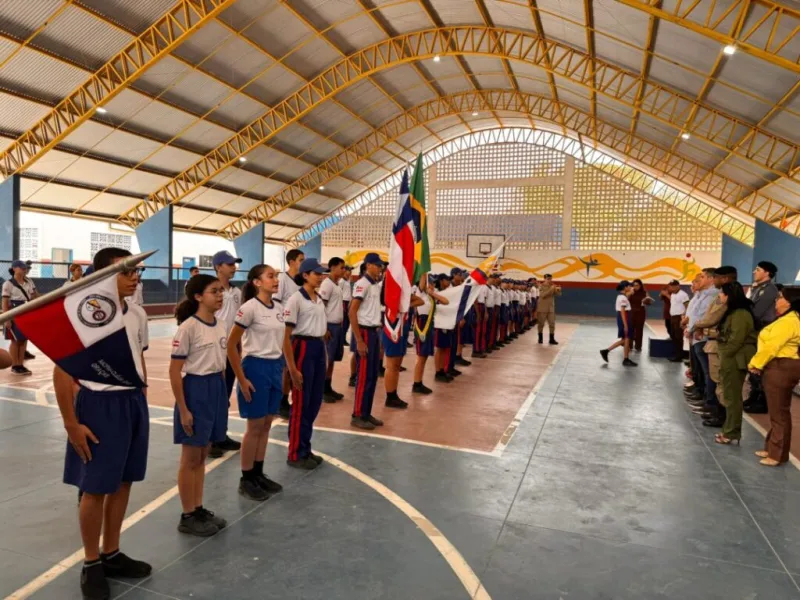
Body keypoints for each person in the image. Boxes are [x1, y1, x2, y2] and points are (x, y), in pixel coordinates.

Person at [55, 248, 151, 600]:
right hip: (99, 405)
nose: (134, 277)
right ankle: (91, 562)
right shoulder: (85, 315)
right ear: (101, 276)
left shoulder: (137, 313)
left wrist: (141, 393)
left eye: (136, 271)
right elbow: (62, 372)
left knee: (124, 482)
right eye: (126, 271)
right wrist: (71, 423)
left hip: (133, 402)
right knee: (95, 488)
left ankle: (111, 552)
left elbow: (138, 357)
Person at [170, 275, 229, 537]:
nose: (220, 295)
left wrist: (222, 396)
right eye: (214, 291)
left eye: (221, 291)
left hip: (216, 387)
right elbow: (174, 371)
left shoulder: (221, 324)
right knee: (191, 456)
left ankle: (198, 507)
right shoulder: (188, 328)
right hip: (196, 390)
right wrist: (184, 409)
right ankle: (187, 515)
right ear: (198, 297)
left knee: (203, 453)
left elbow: (221, 363)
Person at [227, 264, 285, 501]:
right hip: (256, 367)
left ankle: (258, 473)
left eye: (276, 276)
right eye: (270, 276)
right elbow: (231, 345)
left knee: (267, 424)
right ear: (257, 282)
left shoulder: (279, 307)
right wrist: (241, 379)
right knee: (255, 426)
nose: (276, 280)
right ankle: (246, 478)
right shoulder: (249, 308)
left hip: (275, 366)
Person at [283, 258, 328, 468]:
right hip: (302, 347)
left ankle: (305, 447)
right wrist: (292, 369)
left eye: (321, 273)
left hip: (318, 348)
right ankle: (295, 453)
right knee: (301, 403)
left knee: (314, 401)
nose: (320, 277)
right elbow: (286, 336)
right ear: (305, 275)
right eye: (316, 273)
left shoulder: (318, 298)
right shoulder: (295, 299)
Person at [748, 286, 800, 466]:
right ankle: (772, 448)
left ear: (789, 302)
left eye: (780, 297)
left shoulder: (788, 322)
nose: (776, 300)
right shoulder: (787, 319)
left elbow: (772, 346)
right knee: (777, 411)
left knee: (779, 412)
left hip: (781, 367)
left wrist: (756, 363)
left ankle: (777, 454)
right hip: (779, 366)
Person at [693, 266, 737, 428]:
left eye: (714, 277)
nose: (712, 280)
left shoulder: (727, 297)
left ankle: (720, 415)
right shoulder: (719, 294)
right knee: (716, 379)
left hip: (719, 343)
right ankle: (717, 412)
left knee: (719, 381)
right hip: (713, 340)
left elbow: (712, 317)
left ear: (724, 279)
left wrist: (696, 326)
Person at [208, 250, 243, 458]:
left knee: (225, 394)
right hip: (214, 349)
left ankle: (221, 434)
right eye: (230, 264)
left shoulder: (236, 292)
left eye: (234, 264)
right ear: (218, 267)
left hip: (231, 348)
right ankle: (210, 438)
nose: (234, 268)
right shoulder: (210, 290)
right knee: (214, 395)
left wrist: (238, 347)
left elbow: (237, 321)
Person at [714, 282, 757, 445]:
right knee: (730, 395)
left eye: (722, 293)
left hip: (735, 358)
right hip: (732, 356)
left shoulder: (740, 314)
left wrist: (724, 356)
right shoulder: (735, 312)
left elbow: (736, 340)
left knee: (732, 396)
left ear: (729, 295)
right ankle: (730, 429)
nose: (719, 295)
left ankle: (731, 432)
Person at [349, 253, 386, 430]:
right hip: (364, 332)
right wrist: (359, 340)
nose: (380, 269)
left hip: (373, 332)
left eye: (381, 266)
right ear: (368, 265)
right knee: (363, 377)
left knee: (372, 375)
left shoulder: (375, 285)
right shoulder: (362, 284)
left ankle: (366, 412)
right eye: (377, 265)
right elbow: (352, 311)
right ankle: (357, 414)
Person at [744, 261, 780, 414]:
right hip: (756, 329)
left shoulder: (769, 289)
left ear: (767, 273)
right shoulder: (758, 288)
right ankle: (754, 396)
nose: (754, 272)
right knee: (754, 366)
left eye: (758, 269)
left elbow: (756, 312)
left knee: (760, 367)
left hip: (762, 329)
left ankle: (761, 401)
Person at [275, 249, 305, 419]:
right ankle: (282, 401)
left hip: (299, 330)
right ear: (292, 262)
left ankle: (288, 397)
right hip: (287, 329)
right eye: (301, 260)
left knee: (293, 366)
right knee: (285, 367)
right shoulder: (283, 280)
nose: (303, 262)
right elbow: (276, 303)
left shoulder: (301, 281)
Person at [684, 269, 719, 411]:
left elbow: (705, 317)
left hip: (703, 336)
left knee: (708, 371)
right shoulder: (701, 295)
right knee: (699, 368)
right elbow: (693, 314)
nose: (698, 281)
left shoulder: (713, 295)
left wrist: (692, 329)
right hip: (695, 334)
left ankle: (708, 400)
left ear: (711, 279)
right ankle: (702, 394)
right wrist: (688, 327)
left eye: (702, 277)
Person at [411, 274, 449, 394]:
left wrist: (432, 293)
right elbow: (422, 280)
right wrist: (424, 271)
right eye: (430, 283)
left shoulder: (430, 295)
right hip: (422, 324)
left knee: (425, 355)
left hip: (429, 324)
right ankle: (416, 383)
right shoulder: (420, 293)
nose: (433, 285)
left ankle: (419, 381)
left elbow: (446, 301)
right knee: (421, 356)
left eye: (433, 283)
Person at [2, 259, 38, 376]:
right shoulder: (8, 284)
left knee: (23, 339)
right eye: (21, 267)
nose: (24, 269)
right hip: (14, 312)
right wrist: (7, 318)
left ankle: (20, 364)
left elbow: (33, 298)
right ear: (14, 269)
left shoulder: (28, 282)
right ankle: (15, 365)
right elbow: (5, 302)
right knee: (15, 340)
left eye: (24, 268)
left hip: (26, 311)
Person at [318, 257, 346, 403]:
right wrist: (324, 328)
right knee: (327, 359)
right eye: (342, 267)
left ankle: (328, 387)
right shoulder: (327, 284)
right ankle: (322, 390)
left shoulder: (337, 285)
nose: (344, 270)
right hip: (329, 326)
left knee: (332, 359)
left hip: (337, 326)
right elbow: (321, 306)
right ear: (333, 267)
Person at [600, 281, 637, 366]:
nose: (630, 287)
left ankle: (609, 352)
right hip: (624, 317)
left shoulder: (621, 296)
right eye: (629, 286)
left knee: (626, 339)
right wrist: (625, 325)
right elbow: (623, 311)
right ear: (625, 287)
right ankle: (624, 358)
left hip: (623, 317)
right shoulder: (622, 298)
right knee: (627, 338)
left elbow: (626, 300)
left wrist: (630, 293)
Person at [432, 273, 456, 382]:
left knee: (444, 348)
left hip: (446, 322)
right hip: (439, 323)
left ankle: (442, 370)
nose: (449, 282)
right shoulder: (436, 292)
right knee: (439, 348)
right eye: (447, 280)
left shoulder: (446, 292)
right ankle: (438, 372)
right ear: (441, 280)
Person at [667, 279, 690, 362]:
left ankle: (679, 356)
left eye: (673, 286)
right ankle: (677, 353)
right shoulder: (673, 294)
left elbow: (687, 306)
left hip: (679, 317)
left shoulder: (683, 294)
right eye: (671, 286)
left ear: (678, 286)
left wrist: (683, 316)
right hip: (673, 317)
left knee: (678, 337)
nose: (671, 288)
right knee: (673, 336)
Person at [629, 279, 653, 352]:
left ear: (640, 285)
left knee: (639, 330)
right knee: (631, 329)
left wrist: (647, 300)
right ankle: (629, 345)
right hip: (631, 312)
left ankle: (638, 346)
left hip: (640, 313)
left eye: (637, 285)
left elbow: (649, 303)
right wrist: (630, 293)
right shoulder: (630, 292)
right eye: (634, 285)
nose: (635, 287)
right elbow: (626, 301)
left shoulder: (645, 292)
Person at [537, 274, 561, 345]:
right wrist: (551, 289)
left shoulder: (552, 286)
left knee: (552, 324)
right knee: (541, 324)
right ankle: (540, 338)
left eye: (550, 279)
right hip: (542, 308)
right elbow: (543, 295)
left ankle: (551, 339)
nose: (549, 280)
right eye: (548, 279)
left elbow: (558, 294)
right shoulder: (541, 286)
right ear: (544, 279)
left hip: (551, 308)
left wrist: (558, 290)